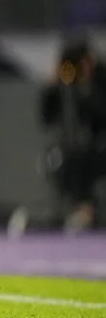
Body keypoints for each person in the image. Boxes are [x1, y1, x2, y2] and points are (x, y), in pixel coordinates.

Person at [41, 35, 106, 232]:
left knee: (83, 155)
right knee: (61, 159)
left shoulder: (101, 77)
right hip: (72, 147)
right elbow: (46, 117)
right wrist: (52, 87)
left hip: (100, 145)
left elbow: (101, 115)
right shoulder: (66, 81)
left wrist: (88, 85)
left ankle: (88, 210)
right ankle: (83, 209)